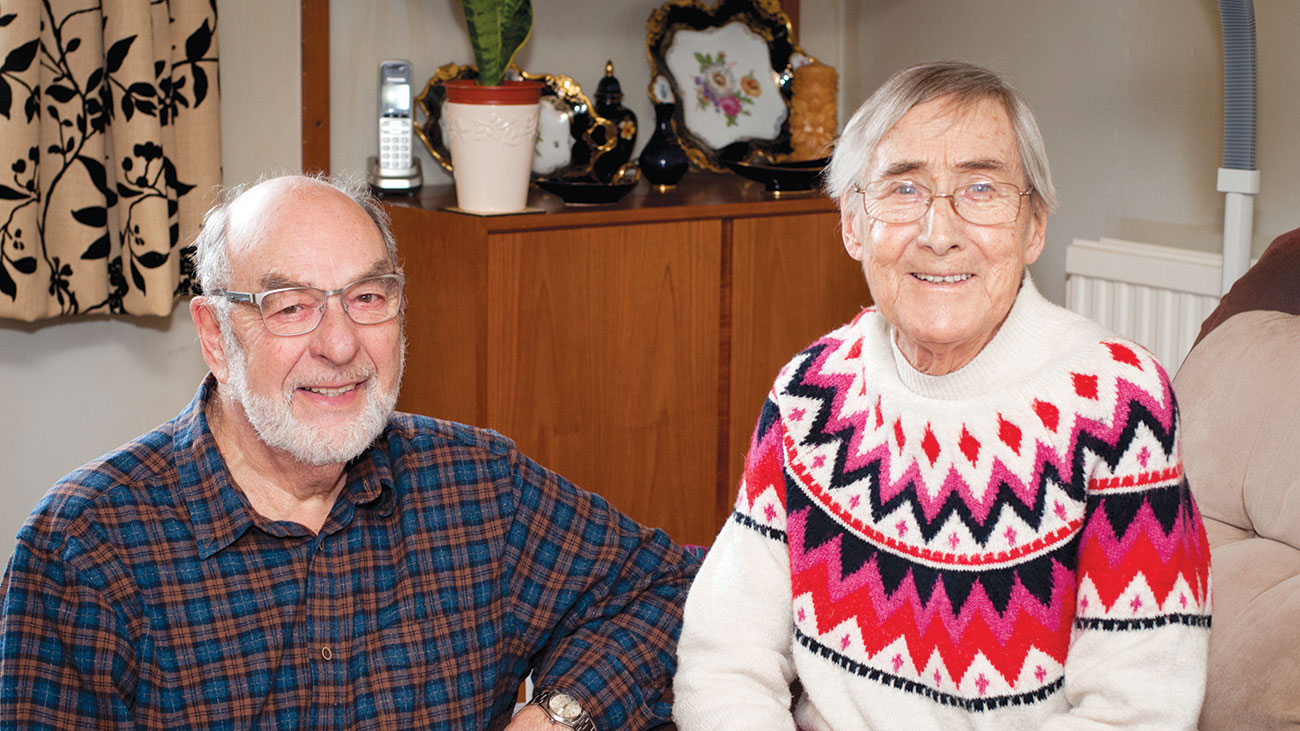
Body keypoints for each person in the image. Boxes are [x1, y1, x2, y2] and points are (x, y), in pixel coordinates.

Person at [0, 174, 698, 730]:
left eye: (367, 297)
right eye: (290, 306)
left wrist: (559, 714)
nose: (339, 345)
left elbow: (671, 588)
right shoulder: (83, 549)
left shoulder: (479, 485)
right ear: (215, 336)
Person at [673, 61, 1212, 729]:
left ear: (1034, 226)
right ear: (852, 224)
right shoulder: (809, 392)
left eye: (981, 188)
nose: (939, 231)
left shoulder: (1121, 408)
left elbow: (1140, 711)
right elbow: (724, 654)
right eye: (904, 189)